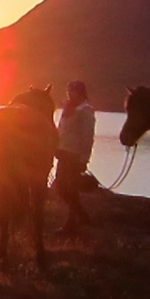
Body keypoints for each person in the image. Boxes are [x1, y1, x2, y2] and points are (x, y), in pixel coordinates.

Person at [54, 80, 96, 236]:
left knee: (70, 190)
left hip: (74, 155)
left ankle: (73, 223)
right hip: (63, 153)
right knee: (61, 188)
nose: (69, 94)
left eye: (72, 91)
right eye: (68, 90)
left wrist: (84, 159)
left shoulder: (85, 111)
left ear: (80, 92)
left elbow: (88, 137)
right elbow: (61, 131)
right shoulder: (68, 108)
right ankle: (81, 217)